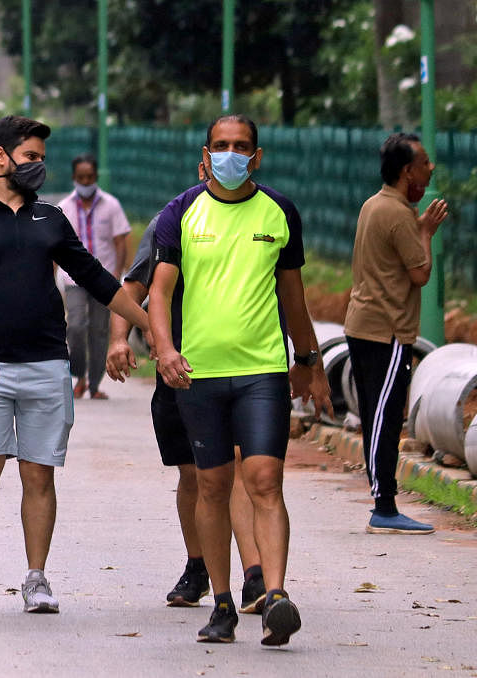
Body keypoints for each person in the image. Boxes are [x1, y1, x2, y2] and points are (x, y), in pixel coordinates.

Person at [0, 115, 149, 615]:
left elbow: (98, 279)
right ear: (1, 156)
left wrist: (152, 329)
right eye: (31, 156)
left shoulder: (51, 219)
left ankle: (36, 578)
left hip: (46, 363)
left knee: (39, 474)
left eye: (41, 158)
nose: (39, 166)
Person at [148, 114, 331, 645]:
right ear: (206, 153)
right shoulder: (181, 212)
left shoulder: (279, 211)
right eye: (222, 146)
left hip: (262, 372)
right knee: (212, 485)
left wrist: (308, 359)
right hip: (200, 374)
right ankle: (223, 602)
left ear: (257, 155)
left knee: (265, 481)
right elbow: (159, 293)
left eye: (242, 146)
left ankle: (275, 596)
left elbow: (292, 296)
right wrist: (164, 350)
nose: (232, 154)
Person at [106, 208, 267, 615]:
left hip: (242, 365)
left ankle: (254, 576)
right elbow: (135, 287)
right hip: (180, 366)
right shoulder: (172, 222)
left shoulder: (263, 219)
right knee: (193, 472)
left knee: (232, 465)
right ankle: (198, 566)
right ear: (203, 168)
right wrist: (120, 339)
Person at [345, 133, 449, 535]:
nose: (430, 168)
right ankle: (383, 506)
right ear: (408, 172)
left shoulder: (375, 204)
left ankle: (382, 500)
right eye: (424, 162)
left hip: (363, 324)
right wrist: (425, 231)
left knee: (376, 413)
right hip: (386, 330)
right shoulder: (399, 214)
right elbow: (420, 273)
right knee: (385, 417)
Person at [58, 154, 131, 399]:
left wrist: (117, 274)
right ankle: (79, 375)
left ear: (96, 177)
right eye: (81, 177)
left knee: (100, 331)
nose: (86, 181)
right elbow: (56, 247)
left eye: (90, 177)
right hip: (74, 280)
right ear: (74, 178)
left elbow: (121, 242)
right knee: (76, 326)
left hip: (104, 279)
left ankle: (95, 384)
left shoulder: (111, 205)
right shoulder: (65, 207)